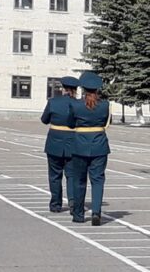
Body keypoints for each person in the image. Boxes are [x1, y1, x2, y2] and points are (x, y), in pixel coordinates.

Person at [65, 73, 110, 225]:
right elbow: (104, 122)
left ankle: (78, 215)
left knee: (79, 180)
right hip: (99, 145)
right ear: (97, 89)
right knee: (97, 180)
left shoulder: (76, 105)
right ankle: (96, 212)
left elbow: (70, 123)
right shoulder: (105, 105)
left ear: (83, 89)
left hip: (80, 146)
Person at [41, 76, 78, 212]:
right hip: (73, 143)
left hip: (54, 143)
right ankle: (73, 203)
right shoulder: (78, 104)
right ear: (75, 90)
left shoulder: (53, 102)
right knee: (72, 175)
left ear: (63, 88)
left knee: (55, 175)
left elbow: (44, 120)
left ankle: (56, 205)